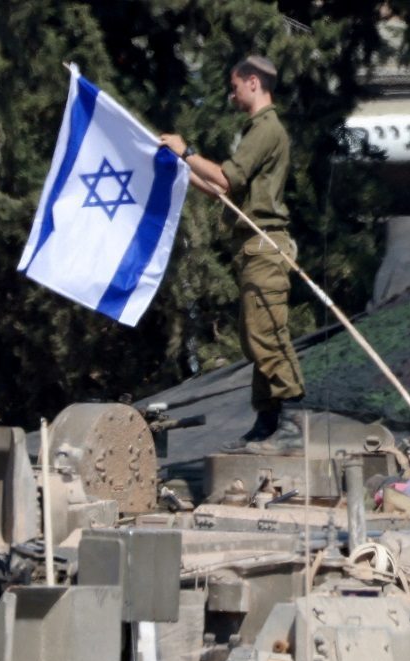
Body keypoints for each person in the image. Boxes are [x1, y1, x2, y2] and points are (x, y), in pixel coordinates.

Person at [159, 54, 303, 451]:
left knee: (267, 333)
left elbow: (226, 176)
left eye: (235, 85)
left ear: (253, 82)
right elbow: (226, 191)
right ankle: (268, 418)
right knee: (253, 336)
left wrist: (186, 151)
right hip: (251, 249)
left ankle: (292, 421)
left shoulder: (266, 129)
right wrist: (181, 169)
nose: (231, 93)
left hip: (265, 246)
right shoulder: (257, 129)